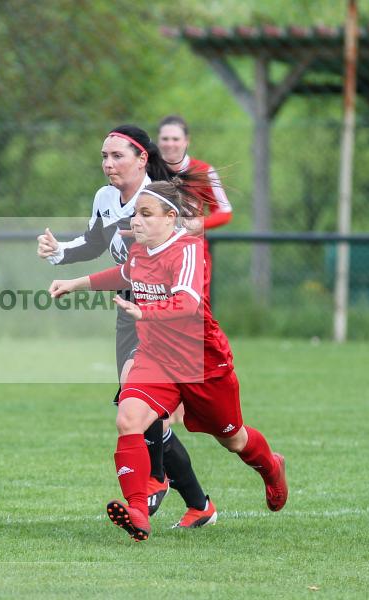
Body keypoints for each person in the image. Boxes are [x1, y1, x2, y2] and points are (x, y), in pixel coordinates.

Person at [48, 179, 287, 542]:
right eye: (134, 215)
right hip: (155, 356)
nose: (136, 223)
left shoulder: (188, 249)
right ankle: (138, 512)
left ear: (170, 217)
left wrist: (144, 315)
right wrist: (74, 283)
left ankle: (272, 467)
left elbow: (188, 302)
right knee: (129, 419)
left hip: (202, 362)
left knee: (233, 439)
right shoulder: (139, 251)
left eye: (145, 215)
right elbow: (122, 275)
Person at [37, 125, 212, 528]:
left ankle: (153, 482)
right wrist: (57, 253)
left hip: (165, 313)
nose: (108, 164)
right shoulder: (105, 198)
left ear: (142, 159)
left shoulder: (164, 199)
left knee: (145, 408)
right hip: (129, 310)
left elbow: (187, 255)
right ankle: (199, 503)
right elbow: (94, 243)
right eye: (104, 156)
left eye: (117, 156)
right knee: (139, 411)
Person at [151, 114, 236, 526]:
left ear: (186, 141)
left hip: (191, 266)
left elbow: (225, 212)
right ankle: (172, 403)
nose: (168, 145)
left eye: (174, 138)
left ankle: (182, 396)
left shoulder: (201, 173)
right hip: (154, 268)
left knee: (186, 327)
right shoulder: (150, 169)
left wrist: (196, 222)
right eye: (163, 138)